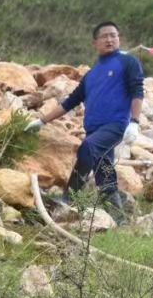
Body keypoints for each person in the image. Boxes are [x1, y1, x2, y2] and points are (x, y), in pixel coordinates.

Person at [25, 21, 144, 215]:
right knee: (104, 171)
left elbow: (137, 91)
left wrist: (134, 122)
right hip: (93, 128)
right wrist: (41, 121)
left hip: (115, 125)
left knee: (89, 146)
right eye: (105, 36)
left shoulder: (128, 62)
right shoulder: (91, 74)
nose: (110, 39)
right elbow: (69, 102)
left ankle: (69, 196)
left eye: (113, 35)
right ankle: (118, 216)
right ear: (94, 42)